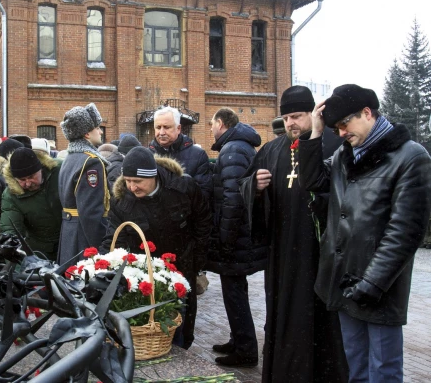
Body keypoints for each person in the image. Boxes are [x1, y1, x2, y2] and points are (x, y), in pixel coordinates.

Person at [298, 84, 431, 383]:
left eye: (344, 124)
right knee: (355, 367)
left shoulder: (410, 156)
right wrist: (315, 133)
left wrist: (372, 283)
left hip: (379, 286)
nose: (341, 133)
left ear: (367, 113)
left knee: (383, 371)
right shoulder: (347, 156)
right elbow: (313, 182)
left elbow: (405, 231)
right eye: (336, 128)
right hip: (344, 280)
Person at [238, 85, 347, 382]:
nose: (291, 124)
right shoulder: (272, 149)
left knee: (319, 318)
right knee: (283, 316)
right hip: (283, 251)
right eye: (286, 118)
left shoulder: (333, 145)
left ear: (312, 114)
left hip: (317, 250)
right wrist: (255, 187)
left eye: (297, 116)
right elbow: (244, 185)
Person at [101, 147, 211, 349]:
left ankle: (180, 353)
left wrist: (198, 261)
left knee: (180, 323)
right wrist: (104, 266)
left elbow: (203, 221)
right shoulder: (122, 200)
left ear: (153, 177)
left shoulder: (182, 187)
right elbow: (114, 237)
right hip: (145, 272)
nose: (132, 187)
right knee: (151, 322)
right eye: (128, 180)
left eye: (138, 181)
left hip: (182, 264)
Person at [205, 108, 264, 367]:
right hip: (238, 235)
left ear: (221, 123)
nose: (210, 130)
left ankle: (246, 351)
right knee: (235, 291)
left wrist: (225, 239)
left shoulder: (232, 150)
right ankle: (238, 340)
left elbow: (233, 199)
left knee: (234, 293)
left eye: (211, 125)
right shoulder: (237, 147)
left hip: (235, 237)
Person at [57, 103, 110, 264]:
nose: (100, 131)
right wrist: (101, 246)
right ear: (87, 133)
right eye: (97, 128)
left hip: (68, 233)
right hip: (84, 238)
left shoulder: (69, 158)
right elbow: (91, 211)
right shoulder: (91, 162)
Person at [0, 147, 62, 261]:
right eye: (22, 179)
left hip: (70, 243)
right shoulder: (11, 195)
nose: (28, 183)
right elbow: (10, 222)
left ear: (41, 169)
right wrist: (10, 239)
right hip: (41, 251)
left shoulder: (59, 171)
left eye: (31, 177)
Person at [148, 106, 212, 200]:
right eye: (158, 127)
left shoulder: (198, 155)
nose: (161, 132)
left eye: (166, 127)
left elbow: (203, 196)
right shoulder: (146, 155)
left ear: (178, 128)